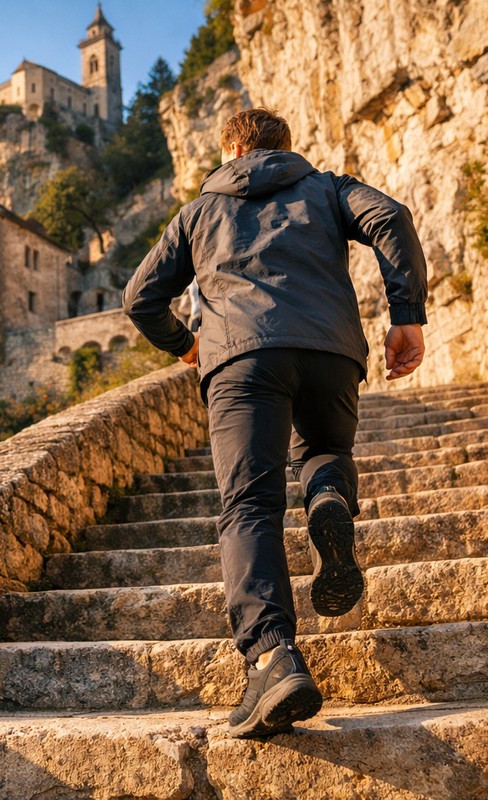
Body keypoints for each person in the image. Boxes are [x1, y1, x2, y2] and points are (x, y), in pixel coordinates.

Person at [122, 107, 428, 738]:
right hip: (330, 351)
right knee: (324, 450)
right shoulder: (328, 188)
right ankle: (327, 498)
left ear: (233, 150)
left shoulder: (198, 214)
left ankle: (273, 658)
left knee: (250, 505)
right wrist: (406, 315)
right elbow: (391, 216)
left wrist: (188, 346)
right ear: (284, 148)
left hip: (241, 360)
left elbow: (139, 298)